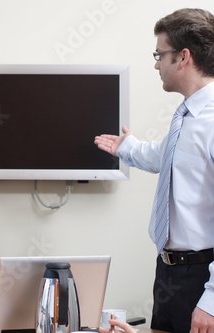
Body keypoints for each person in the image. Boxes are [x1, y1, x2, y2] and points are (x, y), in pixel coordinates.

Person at [94, 8, 214, 333]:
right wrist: (127, 148)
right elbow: (165, 156)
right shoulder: (186, 118)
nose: (157, 64)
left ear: (183, 56)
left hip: (203, 278)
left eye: (160, 54)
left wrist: (211, 302)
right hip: (169, 271)